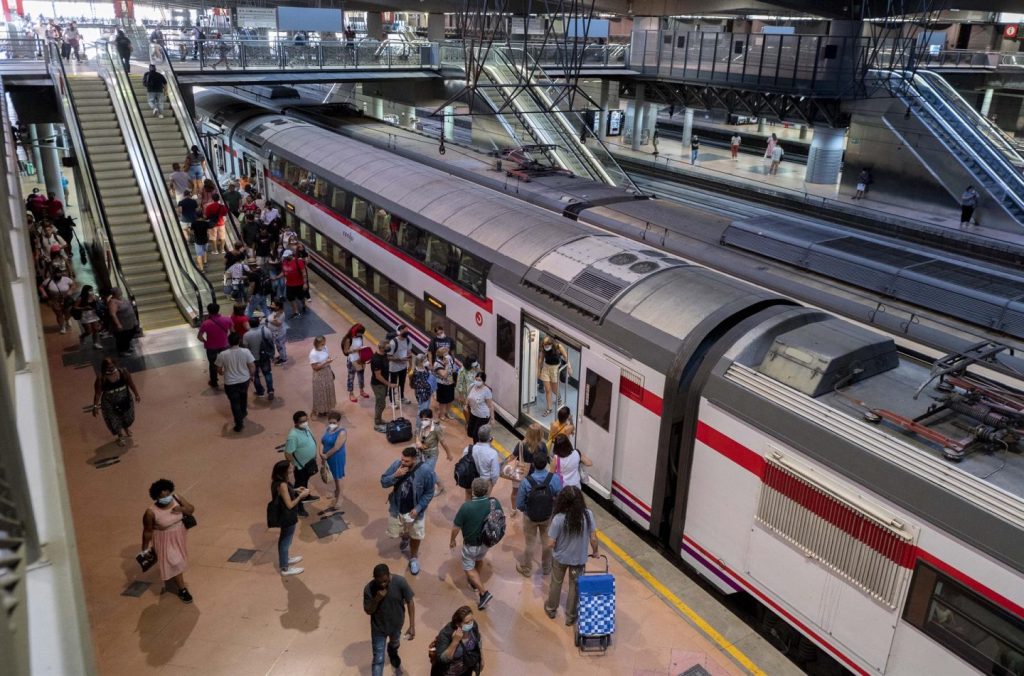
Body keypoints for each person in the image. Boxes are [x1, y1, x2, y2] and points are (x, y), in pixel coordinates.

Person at [544, 486, 599, 625]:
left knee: (556, 583)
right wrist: (595, 551)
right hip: (578, 559)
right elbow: (593, 538)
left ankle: (551, 609)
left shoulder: (558, 518)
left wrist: (554, 547)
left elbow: (550, 543)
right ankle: (570, 616)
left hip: (560, 558)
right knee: (575, 586)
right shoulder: (588, 515)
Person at [381, 446, 436, 576]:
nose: (403, 463)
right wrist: (395, 475)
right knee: (398, 531)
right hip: (397, 508)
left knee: (416, 535)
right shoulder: (396, 465)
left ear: (415, 460)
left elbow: (429, 492)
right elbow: (383, 482)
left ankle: (414, 558)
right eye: (402, 459)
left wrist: (418, 508)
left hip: (416, 512)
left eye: (406, 461)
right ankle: (405, 537)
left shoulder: (426, 471)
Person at [141, 479, 195, 603]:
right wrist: (144, 549)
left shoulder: (176, 498)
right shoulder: (150, 512)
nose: (166, 498)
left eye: (168, 494)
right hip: (164, 538)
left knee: (178, 558)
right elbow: (147, 531)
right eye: (162, 496)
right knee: (175, 561)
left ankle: (160, 556)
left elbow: (191, 509)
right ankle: (182, 590)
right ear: (156, 497)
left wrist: (181, 509)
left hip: (179, 535)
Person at [450, 477, 500, 611]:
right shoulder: (494, 503)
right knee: (479, 559)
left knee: (468, 568)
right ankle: (474, 583)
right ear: (487, 490)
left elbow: (456, 527)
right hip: (487, 542)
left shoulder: (467, 507)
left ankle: (483, 593)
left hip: (471, 544)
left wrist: (452, 540)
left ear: (472, 491)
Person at [363, 563, 415, 676]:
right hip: (379, 629)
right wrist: (376, 599)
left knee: (395, 643)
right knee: (378, 660)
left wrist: (412, 626)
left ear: (389, 575)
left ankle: (392, 652)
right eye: (379, 582)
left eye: (385, 581)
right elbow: (368, 611)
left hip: (396, 625)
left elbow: (410, 601)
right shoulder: (369, 589)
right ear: (374, 579)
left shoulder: (400, 582)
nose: (382, 584)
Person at [516, 452, 563, 577]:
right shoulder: (554, 479)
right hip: (548, 516)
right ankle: (547, 568)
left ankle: (526, 568)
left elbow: (519, 504)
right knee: (547, 543)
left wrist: (527, 509)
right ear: (546, 464)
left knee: (529, 543)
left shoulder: (526, 482)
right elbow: (560, 497)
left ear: (533, 464)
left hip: (530, 517)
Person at [270, 459, 308, 576]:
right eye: (290, 467)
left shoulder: (278, 482)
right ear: (284, 471)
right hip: (287, 517)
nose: (292, 468)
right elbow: (290, 504)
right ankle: (285, 568)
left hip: (283, 515)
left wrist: (295, 490)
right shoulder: (282, 485)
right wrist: (301, 496)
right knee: (285, 541)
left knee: (285, 539)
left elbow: (284, 493)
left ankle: (285, 558)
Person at [92, 357, 141, 446]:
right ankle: (120, 436)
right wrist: (95, 406)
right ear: (104, 367)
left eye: (112, 365)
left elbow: (131, 383)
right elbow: (98, 393)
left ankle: (126, 428)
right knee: (114, 419)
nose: (110, 367)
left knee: (127, 417)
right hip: (109, 402)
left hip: (125, 398)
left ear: (115, 364)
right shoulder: (101, 378)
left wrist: (136, 394)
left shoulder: (123, 372)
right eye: (108, 366)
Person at [215, 332, 255, 432]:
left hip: (230, 383)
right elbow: (252, 366)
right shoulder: (246, 351)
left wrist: (221, 373)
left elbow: (218, 368)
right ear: (239, 341)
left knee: (234, 403)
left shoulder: (222, 354)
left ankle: (239, 423)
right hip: (244, 380)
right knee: (243, 396)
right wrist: (251, 375)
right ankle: (243, 411)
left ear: (228, 342)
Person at [507, 423, 548, 517]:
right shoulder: (542, 446)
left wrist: (505, 463)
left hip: (520, 472)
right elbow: (544, 459)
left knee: (515, 491)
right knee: (534, 492)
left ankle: (514, 509)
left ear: (528, 433)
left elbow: (512, 457)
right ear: (540, 433)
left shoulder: (521, 444)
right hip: (535, 474)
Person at [431, 606, 484, 676]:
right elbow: (442, 660)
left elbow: (478, 640)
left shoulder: (473, 625)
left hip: (466, 670)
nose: (471, 624)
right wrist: (455, 641)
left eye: (472, 620)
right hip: (448, 673)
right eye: (467, 622)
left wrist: (481, 659)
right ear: (458, 624)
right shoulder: (446, 634)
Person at [285, 411, 319, 516]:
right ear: (296, 423)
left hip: (309, 463)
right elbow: (288, 453)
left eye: (306, 420)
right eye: (302, 422)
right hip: (301, 466)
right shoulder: (293, 436)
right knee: (300, 485)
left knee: (305, 482)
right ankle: (299, 507)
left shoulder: (306, 428)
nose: (305, 423)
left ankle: (306, 496)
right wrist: (294, 465)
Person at [415, 408, 451, 496]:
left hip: (432, 454)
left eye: (426, 419)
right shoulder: (420, 426)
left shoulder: (436, 429)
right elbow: (417, 435)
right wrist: (418, 442)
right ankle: (424, 484)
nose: (424, 421)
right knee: (423, 469)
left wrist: (449, 454)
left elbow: (443, 443)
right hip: (421, 453)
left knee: (429, 471)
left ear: (431, 418)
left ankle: (440, 486)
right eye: (422, 419)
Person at [197, 303, 232, 389]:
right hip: (225, 345)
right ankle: (230, 379)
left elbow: (199, 337)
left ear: (208, 311)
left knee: (213, 364)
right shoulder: (227, 319)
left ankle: (214, 382)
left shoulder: (206, 323)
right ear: (218, 309)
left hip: (211, 347)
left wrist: (206, 341)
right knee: (227, 363)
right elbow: (233, 331)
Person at [462, 425, 501, 500]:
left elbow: (463, 465)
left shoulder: (467, 449)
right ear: (490, 438)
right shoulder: (493, 454)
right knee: (482, 501)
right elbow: (495, 474)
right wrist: (492, 484)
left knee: (468, 497)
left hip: (470, 480)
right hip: (484, 483)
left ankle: (468, 508)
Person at [320, 411, 346, 515]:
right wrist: (321, 453)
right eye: (330, 422)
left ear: (339, 422)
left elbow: (336, 447)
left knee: (338, 477)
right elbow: (322, 441)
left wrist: (326, 455)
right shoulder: (328, 429)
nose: (331, 424)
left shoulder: (342, 432)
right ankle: (336, 491)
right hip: (327, 457)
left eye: (334, 422)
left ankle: (340, 497)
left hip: (336, 457)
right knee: (334, 476)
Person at [242, 317, 275, 400]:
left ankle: (260, 392)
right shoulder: (266, 331)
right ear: (259, 323)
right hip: (264, 357)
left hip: (253, 359)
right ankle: (270, 390)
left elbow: (245, 348)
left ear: (250, 324)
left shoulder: (246, 335)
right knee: (267, 373)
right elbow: (271, 341)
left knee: (255, 375)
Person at [537, 336, 569, 417]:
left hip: (555, 368)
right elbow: (541, 360)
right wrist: (538, 371)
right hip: (546, 368)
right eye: (544, 344)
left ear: (551, 343)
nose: (546, 346)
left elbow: (566, 357)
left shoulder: (558, 347)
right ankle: (549, 408)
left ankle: (559, 397)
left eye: (547, 344)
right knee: (548, 390)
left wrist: (569, 367)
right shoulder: (544, 349)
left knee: (554, 389)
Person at [39, 267, 75, 334]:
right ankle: (62, 326)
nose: (58, 275)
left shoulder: (66, 279)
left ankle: (67, 319)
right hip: (55, 300)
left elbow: (73, 285)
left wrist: (70, 290)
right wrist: (43, 293)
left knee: (68, 312)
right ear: (53, 274)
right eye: (56, 274)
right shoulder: (48, 280)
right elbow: (41, 286)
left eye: (59, 273)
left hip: (66, 299)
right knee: (59, 314)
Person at [308, 335, 337, 417]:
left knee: (328, 390)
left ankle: (327, 408)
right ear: (316, 344)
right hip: (319, 375)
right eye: (322, 344)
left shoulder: (325, 348)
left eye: (324, 343)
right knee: (321, 393)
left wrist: (329, 360)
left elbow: (327, 356)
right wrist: (325, 363)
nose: (324, 345)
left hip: (327, 371)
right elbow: (315, 368)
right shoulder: (313, 354)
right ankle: (321, 410)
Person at [341, 323, 369, 402]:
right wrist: (355, 350)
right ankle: (351, 393)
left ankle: (361, 390)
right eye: (360, 333)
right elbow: (346, 351)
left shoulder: (360, 337)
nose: (361, 335)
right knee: (351, 377)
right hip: (352, 360)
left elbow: (361, 345)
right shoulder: (348, 339)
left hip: (360, 359)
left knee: (361, 376)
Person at [464, 371, 494, 443]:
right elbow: (469, 397)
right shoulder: (472, 386)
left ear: (483, 381)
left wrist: (492, 418)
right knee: (469, 432)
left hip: (483, 415)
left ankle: (476, 449)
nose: (477, 381)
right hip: (474, 413)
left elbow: (490, 406)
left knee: (475, 435)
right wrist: (466, 405)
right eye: (476, 379)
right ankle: (488, 438)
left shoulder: (486, 391)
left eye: (479, 380)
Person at [386, 325, 413, 405]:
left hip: (403, 367)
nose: (407, 332)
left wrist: (410, 365)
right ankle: (392, 401)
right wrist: (399, 359)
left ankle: (401, 397)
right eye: (405, 330)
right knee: (393, 384)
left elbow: (409, 352)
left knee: (402, 383)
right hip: (394, 368)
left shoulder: (408, 340)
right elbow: (388, 356)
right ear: (400, 331)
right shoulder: (393, 342)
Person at [108, 288, 138, 355]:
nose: (120, 291)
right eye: (118, 291)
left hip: (130, 322)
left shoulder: (123, 298)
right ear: (114, 293)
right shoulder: (113, 302)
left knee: (129, 335)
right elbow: (113, 314)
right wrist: (118, 324)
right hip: (122, 322)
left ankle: (127, 347)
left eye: (120, 290)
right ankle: (122, 351)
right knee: (122, 337)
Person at [370, 340, 391, 432]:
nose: (389, 348)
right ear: (382, 348)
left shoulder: (384, 355)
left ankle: (379, 420)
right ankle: (377, 424)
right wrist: (389, 384)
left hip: (383, 384)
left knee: (382, 403)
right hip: (378, 384)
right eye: (387, 347)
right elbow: (378, 376)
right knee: (380, 404)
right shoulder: (376, 359)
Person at [433, 345, 456, 421]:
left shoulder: (449, 358)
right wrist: (446, 366)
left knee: (450, 399)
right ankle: (442, 414)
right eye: (445, 352)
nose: (447, 353)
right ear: (441, 354)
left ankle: (448, 412)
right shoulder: (437, 363)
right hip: (442, 384)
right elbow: (444, 375)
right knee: (443, 401)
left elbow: (453, 368)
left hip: (450, 383)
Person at [282, 250, 307, 317]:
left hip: (299, 284)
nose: (285, 258)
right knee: (290, 297)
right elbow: (284, 272)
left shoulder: (298, 262)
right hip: (289, 284)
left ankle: (303, 304)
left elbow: (304, 273)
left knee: (300, 297)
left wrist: (305, 283)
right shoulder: (284, 262)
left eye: (286, 256)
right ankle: (295, 311)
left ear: (291, 255)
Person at [267, 299, 288, 364]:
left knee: (280, 346)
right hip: (276, 333)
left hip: (278, 334)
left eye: (273, 305)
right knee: (279, 346)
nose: (271, 306)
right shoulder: (276, 311)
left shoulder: (280, 314)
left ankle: (283, 359)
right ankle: (282, 356)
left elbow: (278, 324)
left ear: (277, 307)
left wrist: (271, 320)